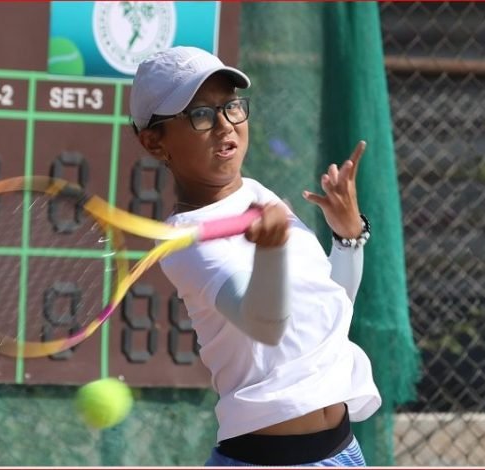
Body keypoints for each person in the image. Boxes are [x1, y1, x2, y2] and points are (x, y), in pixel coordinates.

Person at [130, 46, 381, 467]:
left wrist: (347, 237)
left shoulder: (259, 194)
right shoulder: (184, 242)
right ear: (155, 142)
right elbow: (265, 326)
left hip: (344, 451)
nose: (225, 125)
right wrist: (271, 254)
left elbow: (327, 315)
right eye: (200, 115)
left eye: (230, 106)